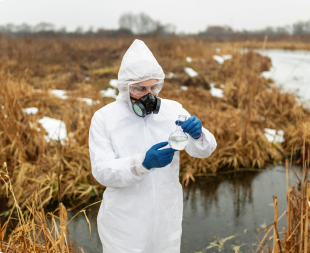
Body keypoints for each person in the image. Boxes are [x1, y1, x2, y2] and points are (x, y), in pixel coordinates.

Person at [89, 39, 217, 253]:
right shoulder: (105, 118)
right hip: (124, 224)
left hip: (166, 220)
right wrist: (142, 164)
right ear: (125, 87)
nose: (149, 95)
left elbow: (204, 150)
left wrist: (199, 134)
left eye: (154, 86)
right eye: (140, 88)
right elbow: (102, 171)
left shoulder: (171, 110)